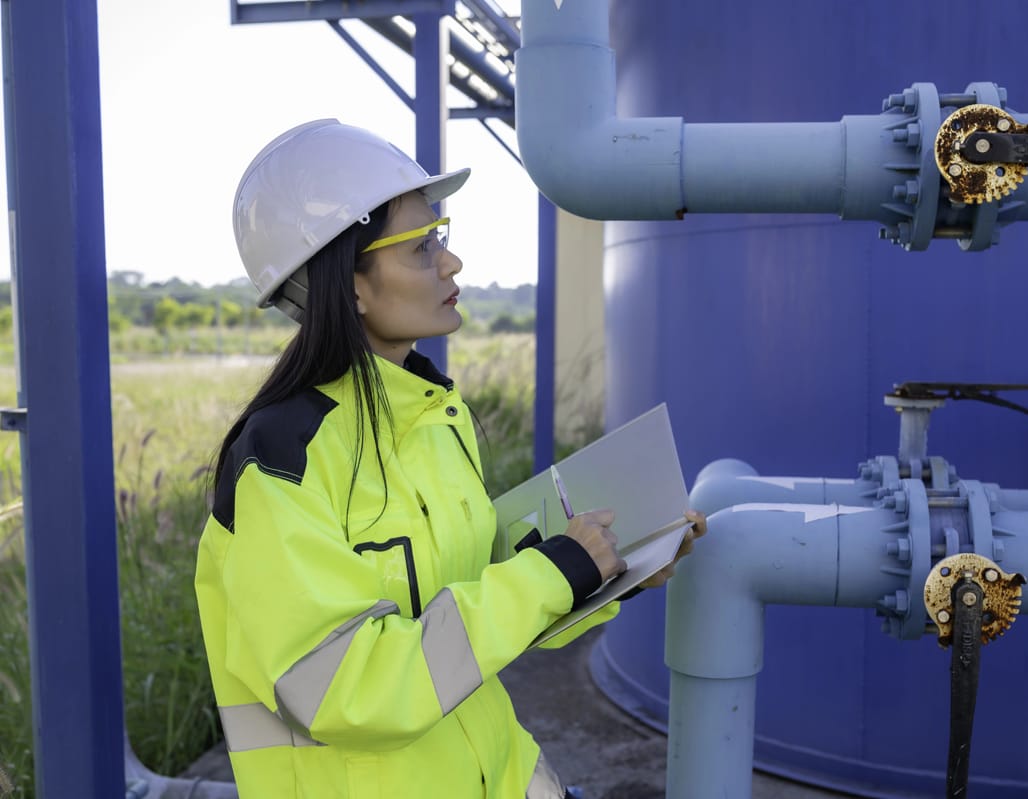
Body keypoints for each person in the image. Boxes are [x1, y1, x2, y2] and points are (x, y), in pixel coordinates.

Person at [194, 119, 706, 799]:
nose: (450, 263)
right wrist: (550, 575)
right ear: (348, 283)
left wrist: (611, 566)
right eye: (420, 246)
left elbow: (474, 610)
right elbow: (346, 686)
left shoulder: (434, 413)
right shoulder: (282, 462)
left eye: (442, 236)